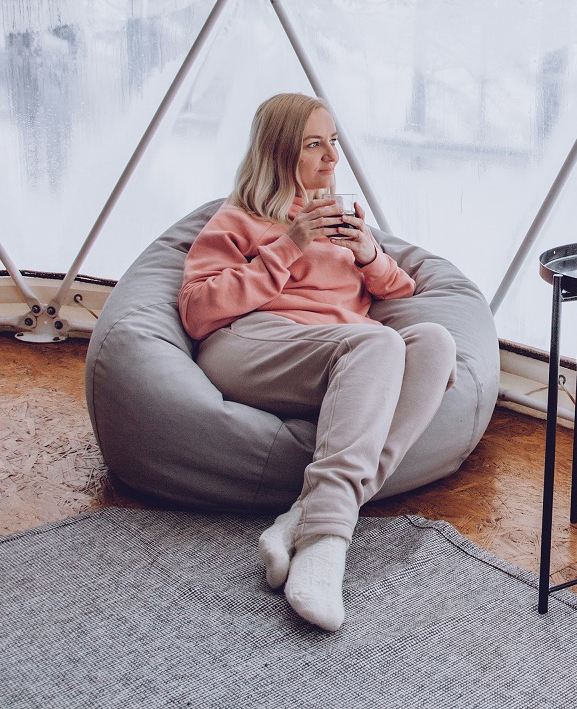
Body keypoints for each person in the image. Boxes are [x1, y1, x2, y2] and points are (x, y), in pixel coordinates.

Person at [178, 93, 455, 631]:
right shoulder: (240, 219)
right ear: (280, 154)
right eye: (314, 145)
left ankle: (300, 519)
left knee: (437, 342)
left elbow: (401, 287)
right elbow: (197, 309)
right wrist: (290, 244)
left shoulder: (343, 219)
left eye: (333, 142)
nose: (332, 157)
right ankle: (328, 543)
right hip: (255, 344)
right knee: (378, 344)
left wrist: (369, 253)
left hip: (342, 354)